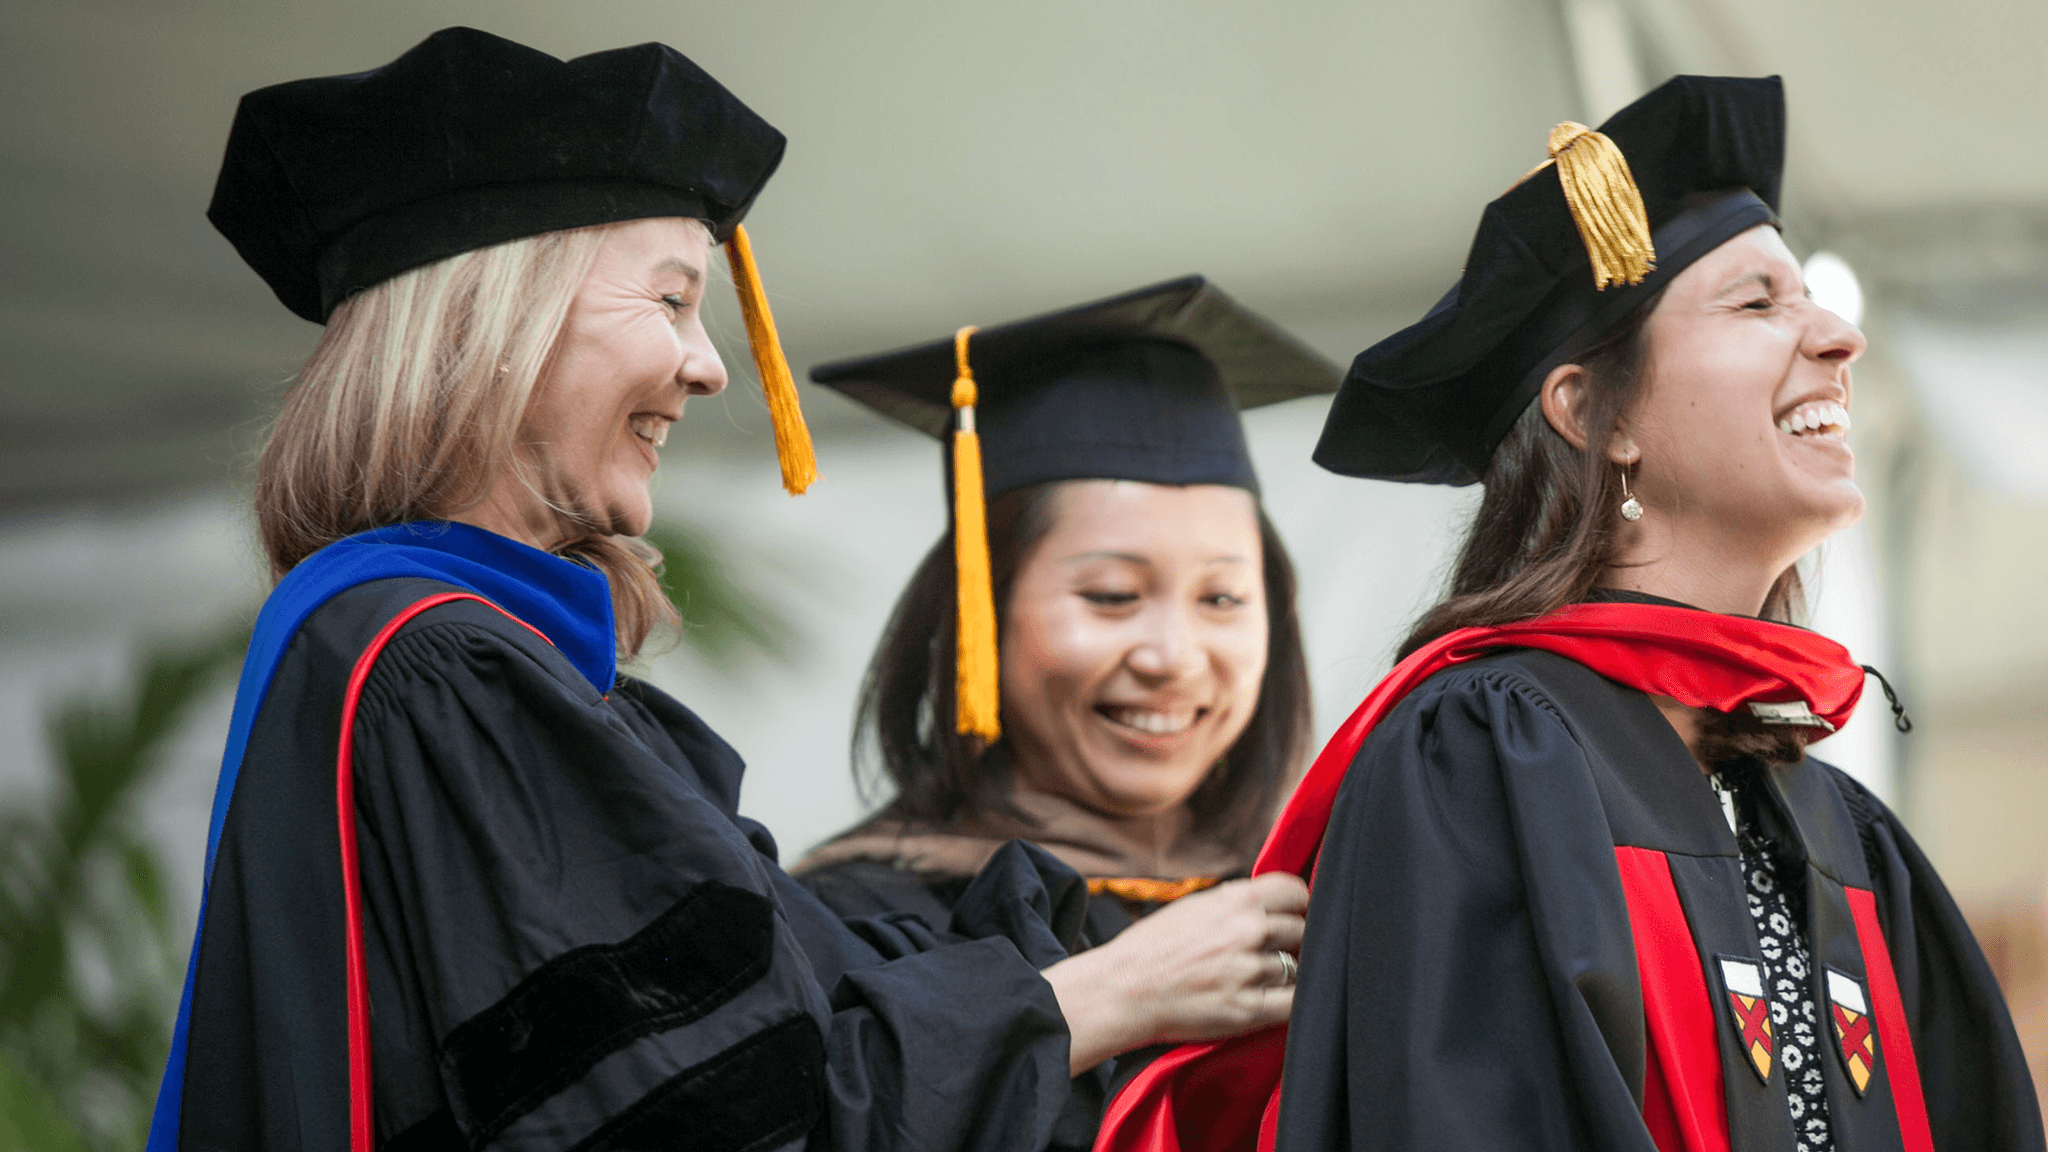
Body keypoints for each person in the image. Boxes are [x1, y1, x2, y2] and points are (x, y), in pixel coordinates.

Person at [149, 29, 1309, 1152]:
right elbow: (719, 1115)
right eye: (667, 301)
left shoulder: (413, 652)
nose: (708, 365)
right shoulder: (441, 666)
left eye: (1223, 597)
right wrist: (1100, 996)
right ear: (494, 326)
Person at [1096, 76, 2044, 1152]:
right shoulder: (1482, 752)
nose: (1837, 337)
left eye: (1810, 298)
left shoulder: (1827, 819)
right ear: (1592, 413)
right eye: (1757, 302)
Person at [795, 279, 1337, 1148]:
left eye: (1225, 598)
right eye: (1114, 594)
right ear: (980, 614)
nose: (1173, 656)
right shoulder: (854, 922)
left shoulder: (1309, 907)